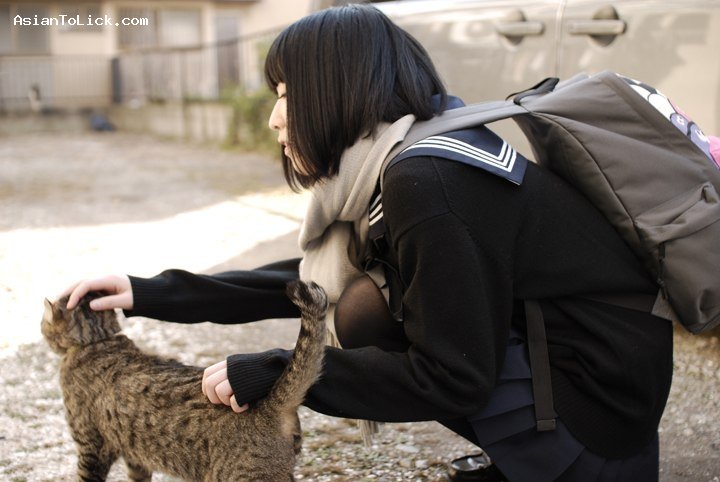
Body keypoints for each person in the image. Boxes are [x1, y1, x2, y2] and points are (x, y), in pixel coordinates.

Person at [63, 5, 672, 481]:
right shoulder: (413, 148)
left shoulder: (429, 181)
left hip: (600, 430)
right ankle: (526, 457)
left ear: (335, 89)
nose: (275, 118)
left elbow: (454, 377)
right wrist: (149, 293)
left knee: (363, 310)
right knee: (365, 296)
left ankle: (542, 464)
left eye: (284, 95)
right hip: (603, 394)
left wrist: (280, 373)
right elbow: (308, 284)